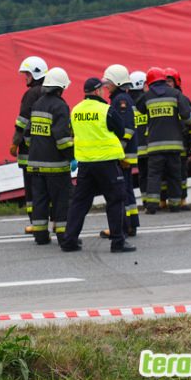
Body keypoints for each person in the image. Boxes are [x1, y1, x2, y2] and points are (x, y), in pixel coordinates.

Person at [62, 78, 135, 253]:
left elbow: (72, 131)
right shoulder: (106, 110)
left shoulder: (76, 110)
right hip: (107, 162)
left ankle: (69, 241)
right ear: (96, 91)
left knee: (79, 203)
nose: (104, 92)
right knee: (115, 200)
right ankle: (118, 242)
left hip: (86, 163)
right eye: (102, 89)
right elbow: (120, 130)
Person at [24, 67, 73, 245]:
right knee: (61, 200)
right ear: (61, 87)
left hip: (35, 163)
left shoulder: (37, 104)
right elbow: (62, 139)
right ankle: (63, 234)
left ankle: (40, 235)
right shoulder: (60, 106)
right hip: (55, 165)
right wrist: (71, 156)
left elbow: (28, 135)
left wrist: (38, 148)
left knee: (40, 200)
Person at [135, 67, 191, 214]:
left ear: (149, 82)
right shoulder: (175, 94)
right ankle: (175, 205)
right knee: (174, 175)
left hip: (154, 146)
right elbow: (186, 116)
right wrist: (190, 121)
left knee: (154, 175)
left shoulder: (147, 97)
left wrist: (147, 91)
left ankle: (152, 206)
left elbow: (139, 107)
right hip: (174, 145)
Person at [9, 56, 48, 234]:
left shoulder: (31, 94)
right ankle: (52, 218)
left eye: (27, 74)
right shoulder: (50, 92)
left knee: (32, 189)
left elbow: (22, 121)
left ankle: (36, 222)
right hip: (47, 150)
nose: (25, 78)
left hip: (29, 151)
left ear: (35, 74)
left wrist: (14, 143)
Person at [101, 64, 139, 237]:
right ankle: (130, 224)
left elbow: (127, 129)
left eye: (108, 81)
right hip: (125, 154)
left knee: (121, 190)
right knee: (126, 189)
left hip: (123, 155)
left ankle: (125, 225)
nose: (106, 85)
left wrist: (119, 152)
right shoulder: (123, 98)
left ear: (116, 81)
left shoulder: (120, 100)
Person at [164, 67, 191, 211]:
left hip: (182, 142)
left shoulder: (183, 100)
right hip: (166, 142)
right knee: (164, 174)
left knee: (181, 173)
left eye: (169, 81)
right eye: (164, 81)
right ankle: (164, 202)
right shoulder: (158, 101)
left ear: (176, 82)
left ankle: (182, 200)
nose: (167, 84)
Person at [129, 71, 149, 209]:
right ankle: (157, 201)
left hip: (134, 150)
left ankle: (146, 201)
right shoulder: (148, 100)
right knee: (153, 175)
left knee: (142, 175)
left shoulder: (126, 102)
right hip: (150, 147)